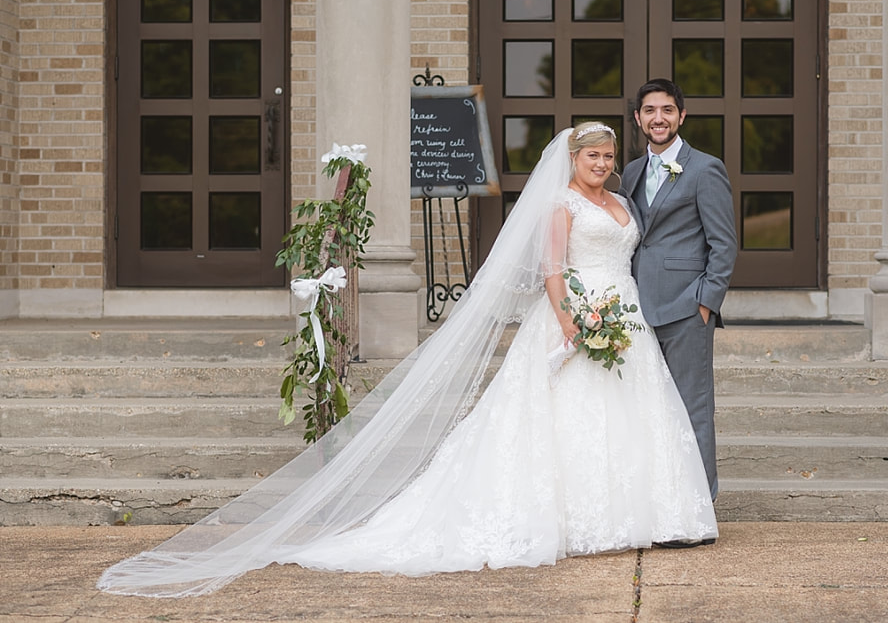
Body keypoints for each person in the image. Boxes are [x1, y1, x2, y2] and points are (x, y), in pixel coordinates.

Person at [98, 122, 717, 597]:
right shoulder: (562, 205)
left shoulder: (620, 202)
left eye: (609, 156)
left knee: (628, 416)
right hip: (577, 318)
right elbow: (553, 269)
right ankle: (572, 517)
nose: (603, 164)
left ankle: (634, 512)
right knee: (565, 419)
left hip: (625, 318)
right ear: (572, 159)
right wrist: (569, 322)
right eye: (593, 156)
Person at [621, 79, 738, 531]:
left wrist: (706, 303)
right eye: (649, 110)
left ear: (681, 116)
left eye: (667, 110)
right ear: (638, 118)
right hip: (636, 311)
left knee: (693, 408)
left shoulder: (704, 169)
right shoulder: (629, 173)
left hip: (686, 310)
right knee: (648, 407)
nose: (658, 119)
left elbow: (723, 245)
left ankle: (700, 509)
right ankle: (658, 504)